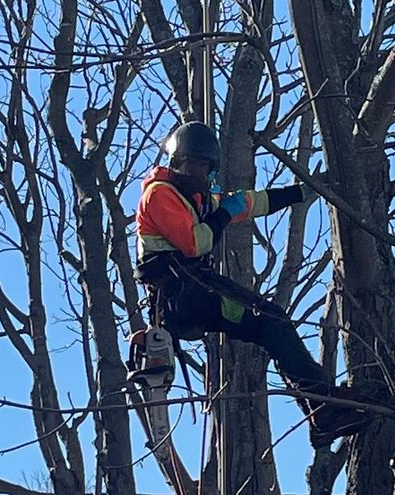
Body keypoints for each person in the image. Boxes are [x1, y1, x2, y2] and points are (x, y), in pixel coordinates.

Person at [132, 121, 361, 444]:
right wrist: (224, 213)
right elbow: (196, 243)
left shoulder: (195, 199)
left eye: (203, 166)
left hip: (196, 292)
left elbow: (251, 203)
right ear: (176, 162)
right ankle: (322, 408)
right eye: (191, 164)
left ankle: (321, 407)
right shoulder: (160, 194)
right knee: (270, 321)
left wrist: (302, 191)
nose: (196, 171)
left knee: (271, 324)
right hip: (183, 298)